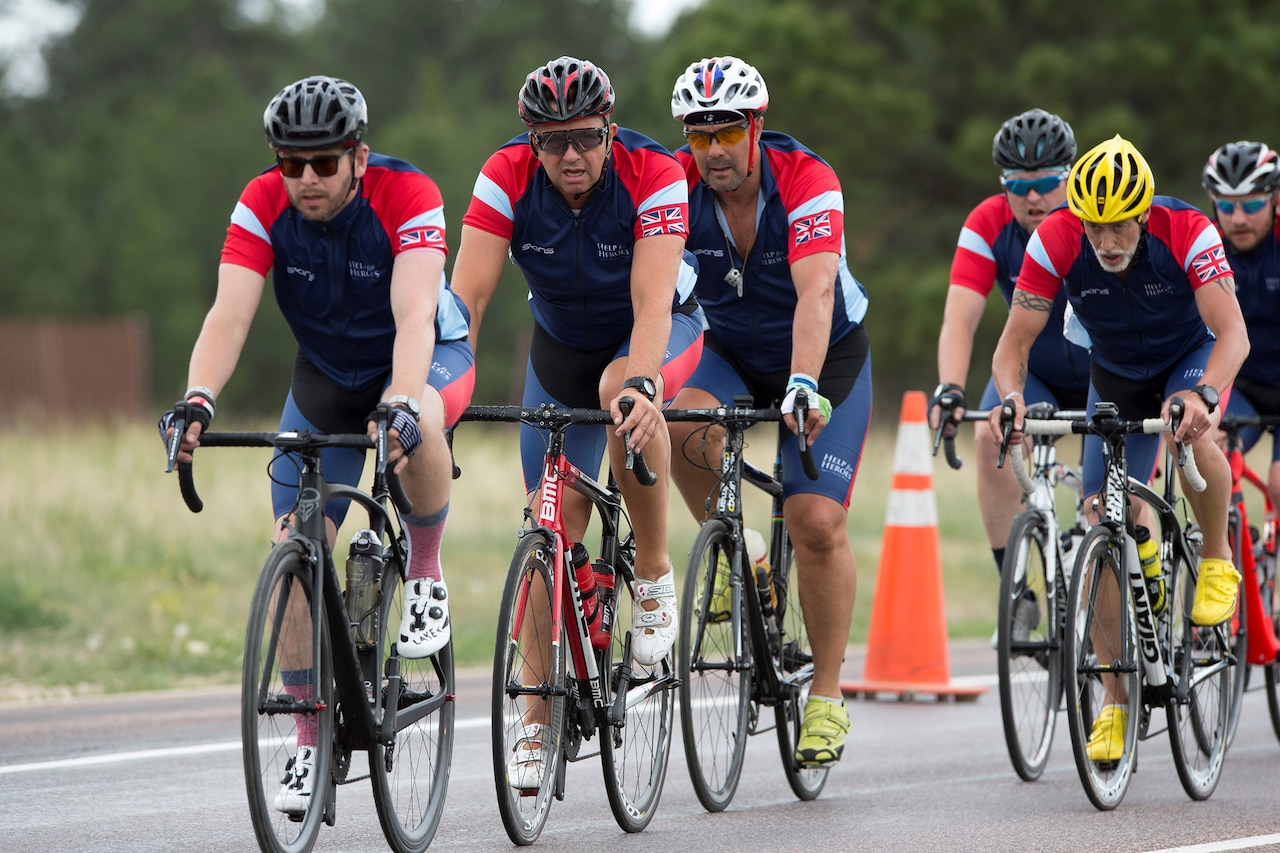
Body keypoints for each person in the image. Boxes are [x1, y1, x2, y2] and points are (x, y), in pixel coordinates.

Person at [159, 75, 475, 813]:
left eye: (324, 164)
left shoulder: (409, 193)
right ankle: (309, 737)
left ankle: (425, 571)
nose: (305, 179)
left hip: (421, 357)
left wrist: (398, 401)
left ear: (358, 158)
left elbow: (413, 316)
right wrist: (197, 398)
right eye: (290, 163)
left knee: (420, 416)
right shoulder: (262, 200)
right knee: (294, 549)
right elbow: (228, 316)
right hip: (326, 377)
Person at [449, 56, 703, 789]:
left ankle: (652, 569)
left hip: (658, 333)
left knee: (620, 390)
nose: (570, 155)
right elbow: (465, 299)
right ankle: (534, 714)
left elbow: (654, 300)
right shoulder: (503, 175)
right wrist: (440, 388)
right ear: (530, 140)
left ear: (610, 130)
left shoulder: (653, 171)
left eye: (586, 138)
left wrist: (646, 383)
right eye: (552, 141)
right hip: (558, 348)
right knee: (547, 526)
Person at [989, 134, 1248, 765]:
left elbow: (1233, 333)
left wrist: (1207, 395)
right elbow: (1011, 348)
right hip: (1114, 375)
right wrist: (1011, 399)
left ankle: (1215, 557)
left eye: (1119, 228)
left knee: (1194, 434)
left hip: (1186, 361)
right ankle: (1113, 702)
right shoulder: (1054, 239)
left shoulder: (1186, 229)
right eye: (1095, 228)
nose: (1106, 242)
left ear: (1141, 214)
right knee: (1101, 515)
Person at [665, 56, 872, 768]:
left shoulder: (808, 181)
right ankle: (740, 552)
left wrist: (805, 382)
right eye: (700, 136)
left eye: (728, 132)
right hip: (726, 350)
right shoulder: (675, 186)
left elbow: (816, 294)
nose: (715, 150)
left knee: (815, 520)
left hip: (824, 355)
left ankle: (827, 693)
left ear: (757, 126)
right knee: (679, 422)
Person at [930, 109, 1089, 587]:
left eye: (1047, 184)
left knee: (1113, 500)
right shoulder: (988, 223)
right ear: (1004, 186)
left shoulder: (1094, 220)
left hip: (1106, 371)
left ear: (1072, 177)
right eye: (1019, 186)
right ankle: (1015, 589)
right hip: (1033, 369)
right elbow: (959, 317)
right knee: (988, 437)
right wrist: (951, 387)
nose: (1034, 197)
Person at [1202, 141, 1280, 511]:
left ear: (1275, 199)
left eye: (1251, 205)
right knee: (1204, 454)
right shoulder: (1206, 245)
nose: (1238, 219)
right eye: (1226, 206)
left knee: (1279, 486)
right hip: (1243, 384)